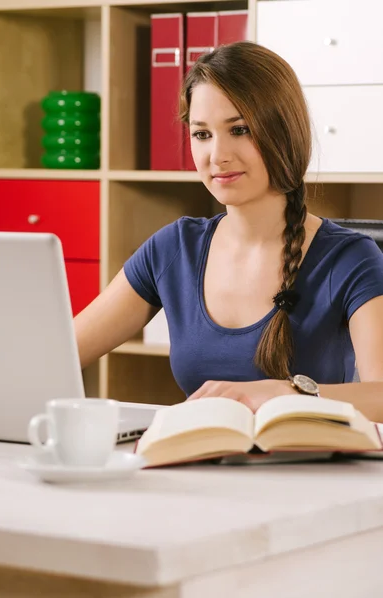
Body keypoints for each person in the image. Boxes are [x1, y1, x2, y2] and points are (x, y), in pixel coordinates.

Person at [74, 41, 383, 421]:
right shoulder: (173, 249)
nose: (217, 155)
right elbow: (62, 353)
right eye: (201, 134)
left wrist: (288, 392)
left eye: (239, 129)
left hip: (308, 474)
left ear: (283, 133)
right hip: (197, 469)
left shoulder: (351, 258)